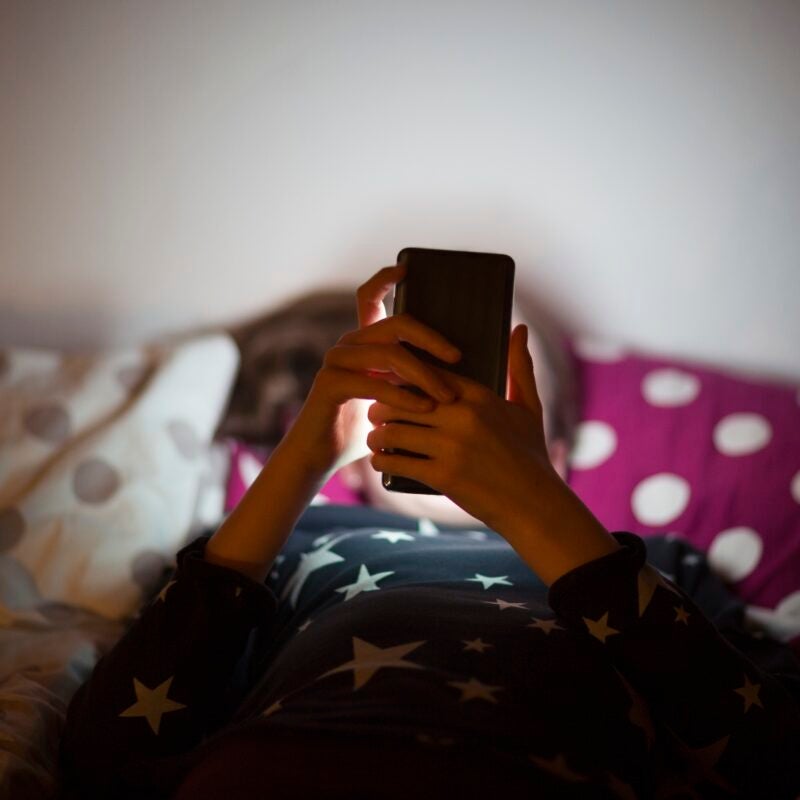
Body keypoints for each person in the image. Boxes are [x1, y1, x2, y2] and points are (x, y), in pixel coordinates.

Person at [59, 265, 800, 799]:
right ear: (358, 456)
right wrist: (303, 462)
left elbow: (770, 756)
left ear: (560, 457)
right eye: (413, 387)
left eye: (493, 395)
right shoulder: (285, 534)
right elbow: (107, 752)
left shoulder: (649, 567)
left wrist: (541, 510)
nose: (457, 407)